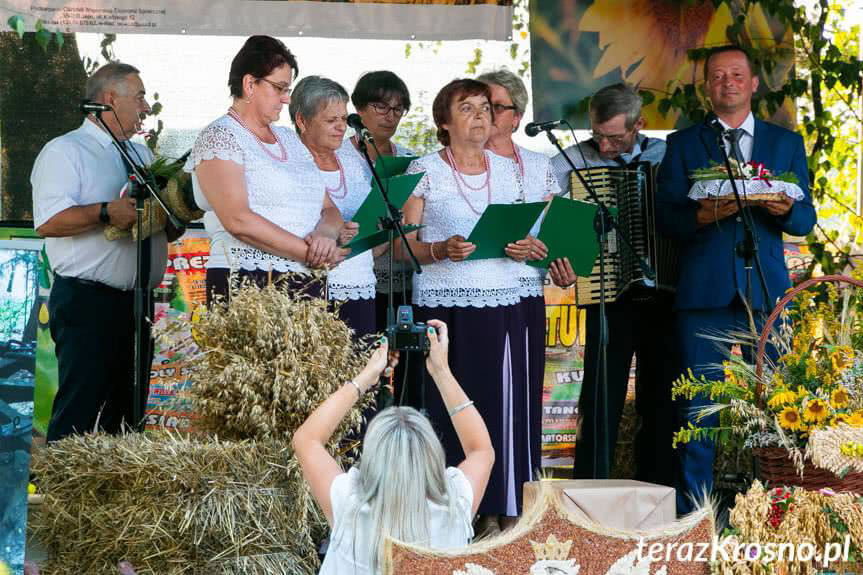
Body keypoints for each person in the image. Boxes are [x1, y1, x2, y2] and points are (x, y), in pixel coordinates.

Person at [655, 45, 816, 513]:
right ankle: (695, 516)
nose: (727, 82)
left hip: (767, 291)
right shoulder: (683, 144)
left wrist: (787, 209)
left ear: (753, 84)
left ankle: (785, 507)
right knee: (698, 410)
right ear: (707, 87)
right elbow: (666, 219)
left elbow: (804, 220)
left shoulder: (786, 143)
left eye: (736, 75)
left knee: (782, 407)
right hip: (704, 295)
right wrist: (702, 215)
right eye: (717, 76)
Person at [398, 78, 530, 532]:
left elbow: (532, 235)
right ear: (443, 121)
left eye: (485, 109)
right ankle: (445, 515)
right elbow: (397, 247)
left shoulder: (509, 169)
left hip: (502, 301)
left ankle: (496, 510)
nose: (480, 116)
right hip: (443, 308)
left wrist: (527, 246)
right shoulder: (424, 169)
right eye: (467, 108)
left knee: (495, 408)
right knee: (444, 409)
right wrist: (438, 250)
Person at [31, 62, 170, 441]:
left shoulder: (140, 155)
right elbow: (48, 221)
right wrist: (106, 211)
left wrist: (172, 211)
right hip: (87, 300)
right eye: (139, 96)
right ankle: (64, 495)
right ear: (110, 99)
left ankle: (115, 498)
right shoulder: (65, 151)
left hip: (138, 302)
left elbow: (163, 216)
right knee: (82, 407)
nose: (145, 106)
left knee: (128, 413)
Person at [547, 83, 677, 488]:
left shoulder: (666, 155)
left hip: (664, 294)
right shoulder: (567, 161)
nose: (604, 146)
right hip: (605, 294)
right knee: (601, 397)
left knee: (662, 397)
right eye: (598, 135)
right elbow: (552, 224)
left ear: (639, 124)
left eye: (615, 137)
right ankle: (592, 489)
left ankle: (658, 489)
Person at [293, 320, 494, 575]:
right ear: (432, 454)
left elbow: (306, 439)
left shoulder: (349, 504)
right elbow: (481, 450)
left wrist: (366, 376)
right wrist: (442, 371)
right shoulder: (455, 504)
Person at [185, 36, 347, 304]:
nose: (286, 99)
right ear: (250, 84)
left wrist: (325, 236)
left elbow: (329, 209)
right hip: (248, 279)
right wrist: (311, 254)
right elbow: (238, 221)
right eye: (280, 88)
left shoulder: (290, 139)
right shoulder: (221, 136)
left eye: (288, 90)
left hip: (308, 278)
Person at [476, 68, 559, 498]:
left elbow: (555, 231)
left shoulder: (540, 164)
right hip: (472, 296)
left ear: (517, 115)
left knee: (522, 397)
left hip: (525, 293)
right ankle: (478, 498)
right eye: (478, 105)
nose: (486, 114)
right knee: (480, 399)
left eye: (496, 106)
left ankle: (518, 498)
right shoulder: (461, 158)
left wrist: (556, 257)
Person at [290, 76, 377, 338]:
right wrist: (333, 236)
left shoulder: (355, 163)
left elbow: (371, 223)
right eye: (331, 120)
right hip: (310, 287)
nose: (341, 127)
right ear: (302, 121)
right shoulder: (290, 164)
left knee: (362, 374)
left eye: (344, 119)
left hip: (360, 281)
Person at [346, 71, 416, 335]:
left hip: (405, 281)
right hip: (356, 278)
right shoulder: (337, 157)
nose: (390, 116)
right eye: (381, 106)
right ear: (358, 108)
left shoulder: (410, 160)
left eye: (398, 109)